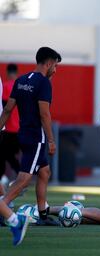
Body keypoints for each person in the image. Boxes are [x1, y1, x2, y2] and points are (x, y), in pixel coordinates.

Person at [0, 47, 61, 245]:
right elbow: (45, 114)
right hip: (36, 137)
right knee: (24, 178)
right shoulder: (43, 84)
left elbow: (8, 110)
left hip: (22, 134)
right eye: (56, 65)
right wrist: (51, 140)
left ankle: (42, 214)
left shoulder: (22, 80)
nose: (56, 69)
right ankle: (3, 208)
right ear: (49, 62)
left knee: (44, 172)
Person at [0, 63, 20, 197]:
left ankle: (15, 179)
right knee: (10, 155)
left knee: (3, 155)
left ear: (7, 73)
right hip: (21, 129)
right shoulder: (21, 86)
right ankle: (20, 177)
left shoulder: (6, 86)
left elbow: (5, 108)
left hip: (8, 129)